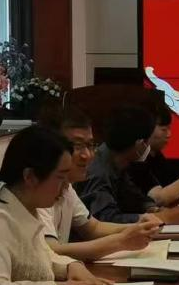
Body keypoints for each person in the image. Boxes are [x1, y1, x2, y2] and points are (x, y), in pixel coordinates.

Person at [0, 125, 109, 285]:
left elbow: (40, 256)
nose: (66, 186)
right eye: (60, 177)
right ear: (30, 176)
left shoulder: (27, 210)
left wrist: (69, 266)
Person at [38, 108, 159, 262]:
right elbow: (51, 251)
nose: (87, 155)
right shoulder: (37, 190)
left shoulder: (67, 187)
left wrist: (138, 227)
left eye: (90, 145)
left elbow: (93, 227)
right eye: (77, 146)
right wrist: (121, 241)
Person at [77, 106, 179, 225]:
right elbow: (105, 219)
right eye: (147, 142)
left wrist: (153, 209)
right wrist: (160, 217)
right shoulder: (99, 172)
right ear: (140, 144)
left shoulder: (118, 160)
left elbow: (132, 198)